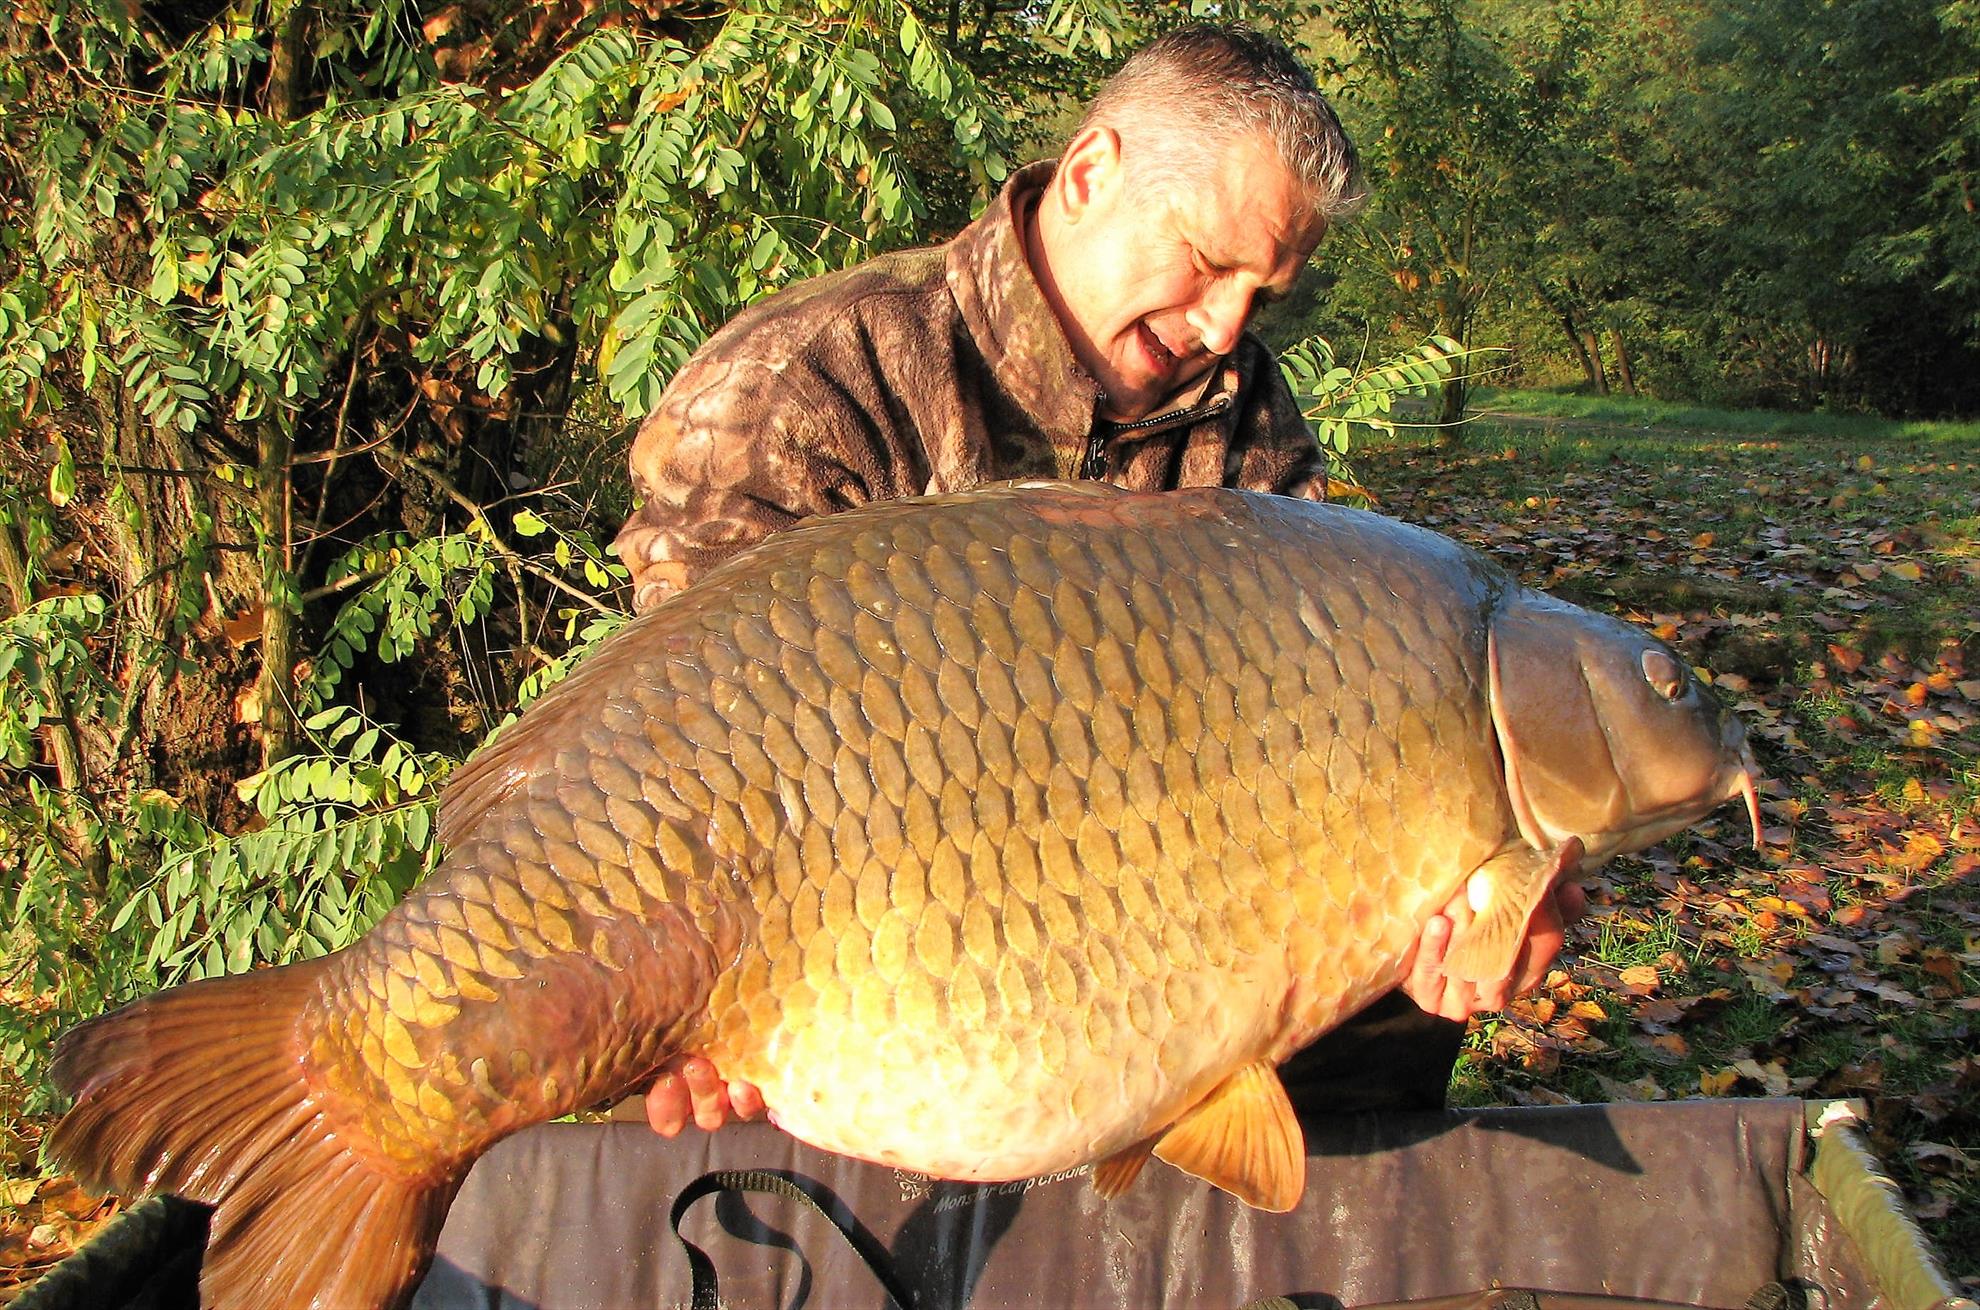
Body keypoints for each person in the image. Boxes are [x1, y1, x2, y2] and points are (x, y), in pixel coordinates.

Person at [612, 23, 1583, 1138]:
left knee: (1383, 1004)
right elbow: (684, 754)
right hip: (867, 918)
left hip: (1149, 894)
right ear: (1088, 176)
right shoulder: (822, 374)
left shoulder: (1243, 410)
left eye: (1260, 295)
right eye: (1210, 264)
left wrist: (1456, 886)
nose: (1225, 326)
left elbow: (1344, 713)